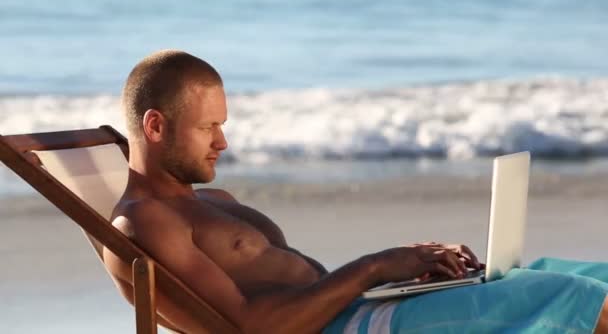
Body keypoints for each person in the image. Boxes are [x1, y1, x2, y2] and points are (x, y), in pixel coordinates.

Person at [103, 50, 608, 333]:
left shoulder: (212, 204)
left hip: (365, 308)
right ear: (154, 126)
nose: (222, 142)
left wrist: (408, 270)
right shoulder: (144, 223)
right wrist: (375, 265)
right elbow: (253, 329)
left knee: (570, 275)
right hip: (354, 327)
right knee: (576, 298)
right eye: (207, 127)